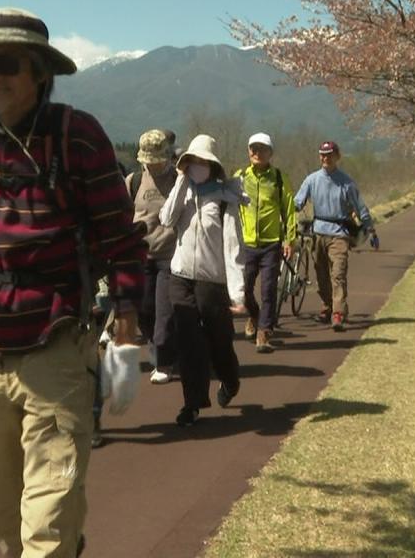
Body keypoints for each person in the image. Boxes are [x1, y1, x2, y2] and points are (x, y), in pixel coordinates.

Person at [0, 7, 146, 557]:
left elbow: (120, 238)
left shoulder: (77, 136)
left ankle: (57, 541)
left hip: (58, 340)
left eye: (6, 63)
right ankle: (63, 541)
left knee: (50, 509)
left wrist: (128, 335)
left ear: (40, 71)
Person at [159, 134, 246, 426]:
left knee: (219, 340)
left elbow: (234, 249)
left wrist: (238, 294)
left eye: (201, 162)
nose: (196, 166)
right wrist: (181, 181)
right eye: (191, 161)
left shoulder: (224, 201)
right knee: (187, 341)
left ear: (212, 165)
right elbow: (166, 219)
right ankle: (192, 404)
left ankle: (230, 380)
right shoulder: (182, 193)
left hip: (212, 283)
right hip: (180, 276)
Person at [293, 140, 377, 331]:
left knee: (338, 274)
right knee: (321, 274)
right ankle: (328, 305)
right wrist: (290, 210)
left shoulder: (346, 182)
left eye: (329, 154)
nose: (325, 158)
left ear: (337, 156)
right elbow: (298, 201)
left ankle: (338, 313)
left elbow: (360, 208)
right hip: (318, 232)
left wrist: (370, 229)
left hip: (339, 234)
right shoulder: (312, 180)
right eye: (322, 154)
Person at [232, 132, 298, 353]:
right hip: (246, 244)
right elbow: (230, 208)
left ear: (270, 153)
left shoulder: (279, 178)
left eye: (261, 149)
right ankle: (255, 315)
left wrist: (290, 239)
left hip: (271, 244)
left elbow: (289, 210)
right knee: (243, 290)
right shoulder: (240, 177)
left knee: (268, 289)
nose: (256, 153)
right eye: (253, 148)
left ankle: (264, 333)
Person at [126, 129, 180, 384]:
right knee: (144, 310)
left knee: (164, 312)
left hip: (171, 255)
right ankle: (158, 345)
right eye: (148, 160)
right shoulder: (134, 181)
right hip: (141, 256)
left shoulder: (180, 181)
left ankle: (164, 361)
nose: (153, 164)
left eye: (157, 159)